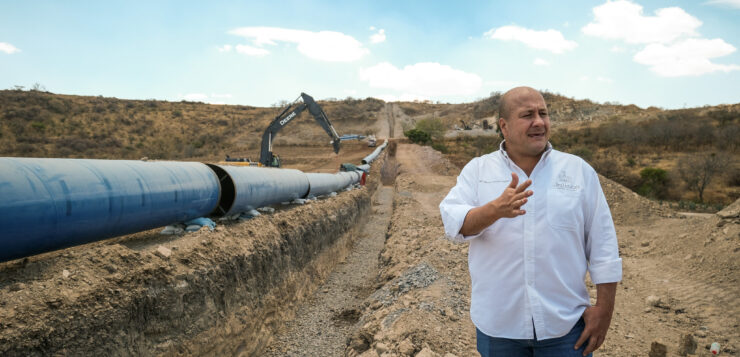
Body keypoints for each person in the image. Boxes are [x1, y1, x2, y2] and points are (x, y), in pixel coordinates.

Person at [439, 87, 622, 356]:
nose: (539, 122)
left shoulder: (578, 171)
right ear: (504, 126)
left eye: (543, 113)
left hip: (566, 328)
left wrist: (604, 312)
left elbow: (603, 246)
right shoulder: (478, 170)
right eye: (527, 115)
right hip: (499, 329)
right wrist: (494, 210)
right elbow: (453, 224)